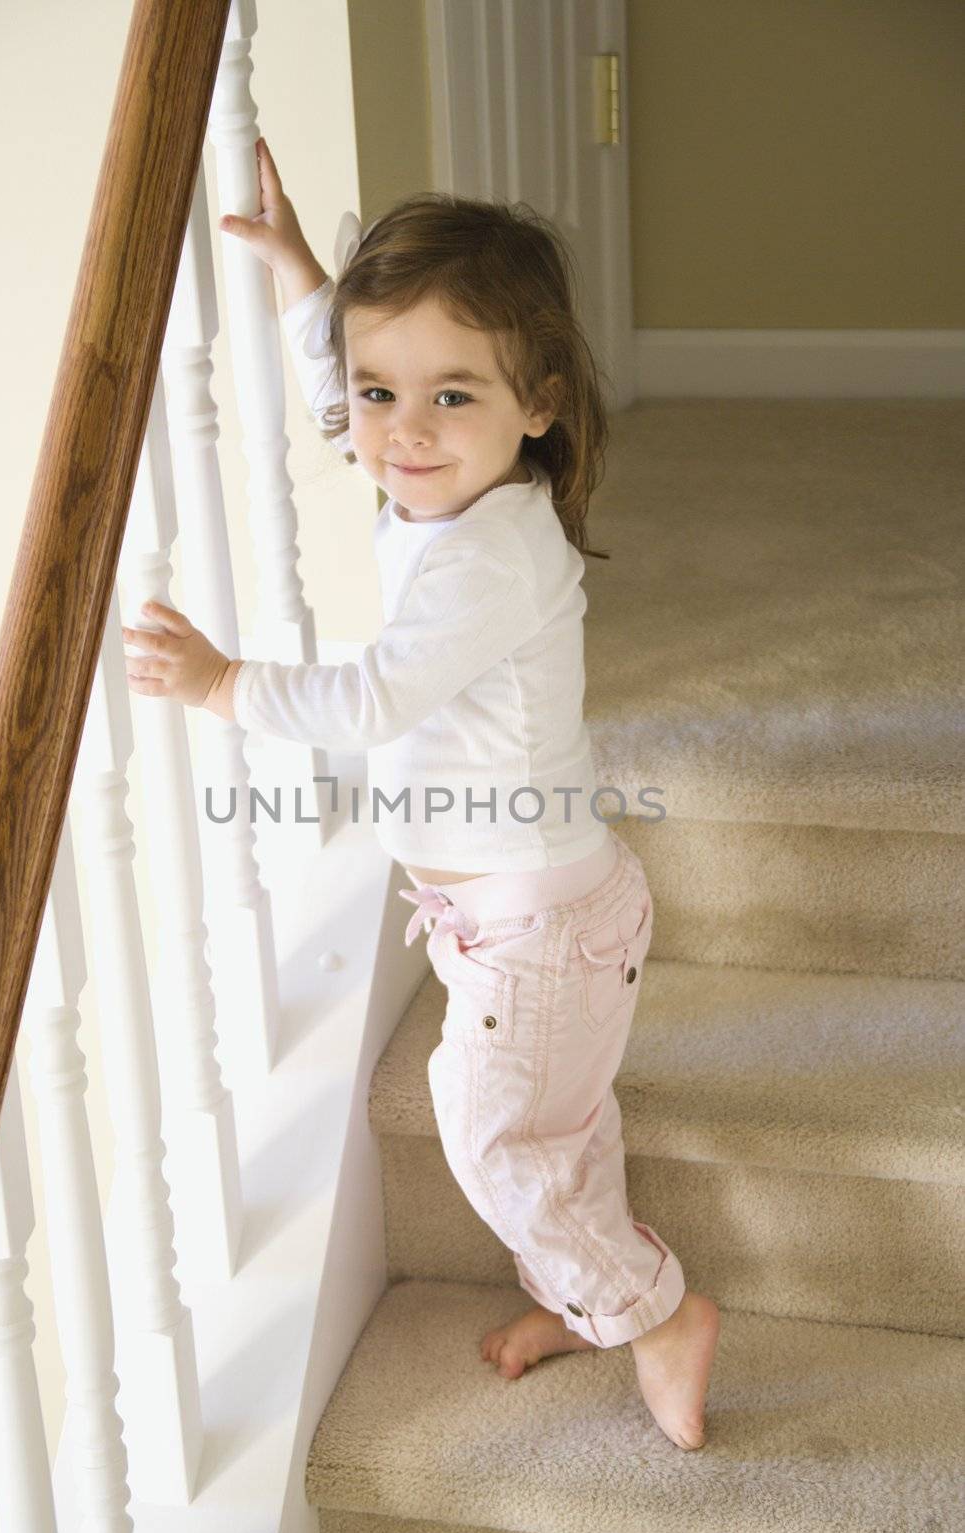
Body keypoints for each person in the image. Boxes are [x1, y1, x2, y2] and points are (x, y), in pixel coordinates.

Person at [123, 137, 720, 1450]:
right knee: (552, 1129)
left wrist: (225, 684)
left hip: (538, 929)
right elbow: (342, 393)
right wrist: (300, 277)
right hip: (524, 914)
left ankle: (656, 1310)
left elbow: (372, 701)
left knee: (497, 1136)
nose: (398, 430)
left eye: (453, 397)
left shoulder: (485, 561)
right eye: (385, 391)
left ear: (540, 403)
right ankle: (589, 1290)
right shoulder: (441, 487)